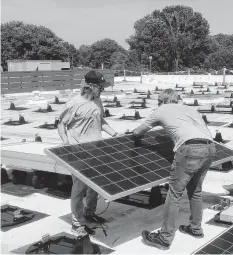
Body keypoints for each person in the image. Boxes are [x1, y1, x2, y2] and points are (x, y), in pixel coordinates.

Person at [131, 89, 216, 250]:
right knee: (196, 191)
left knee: (174, 193)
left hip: (190, 149)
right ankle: (196, 229)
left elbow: (139, 131)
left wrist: (133, 136)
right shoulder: (190, 109)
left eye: (158, 101)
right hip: (210, 148)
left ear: (162, 100)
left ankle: (164, 238)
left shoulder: (161, 110)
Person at [58, 70, 119, 236]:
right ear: (91, 86)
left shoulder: (98, 101)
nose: (103, 90)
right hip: (79, 151)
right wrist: (66, 142)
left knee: (94, 185)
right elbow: (61, 125)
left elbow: (102, 122)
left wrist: (115, 134)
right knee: (79, 189)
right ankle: (77, 224)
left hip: (96, 150)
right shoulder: (74, 103)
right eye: (101, 87)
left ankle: (89, 213)